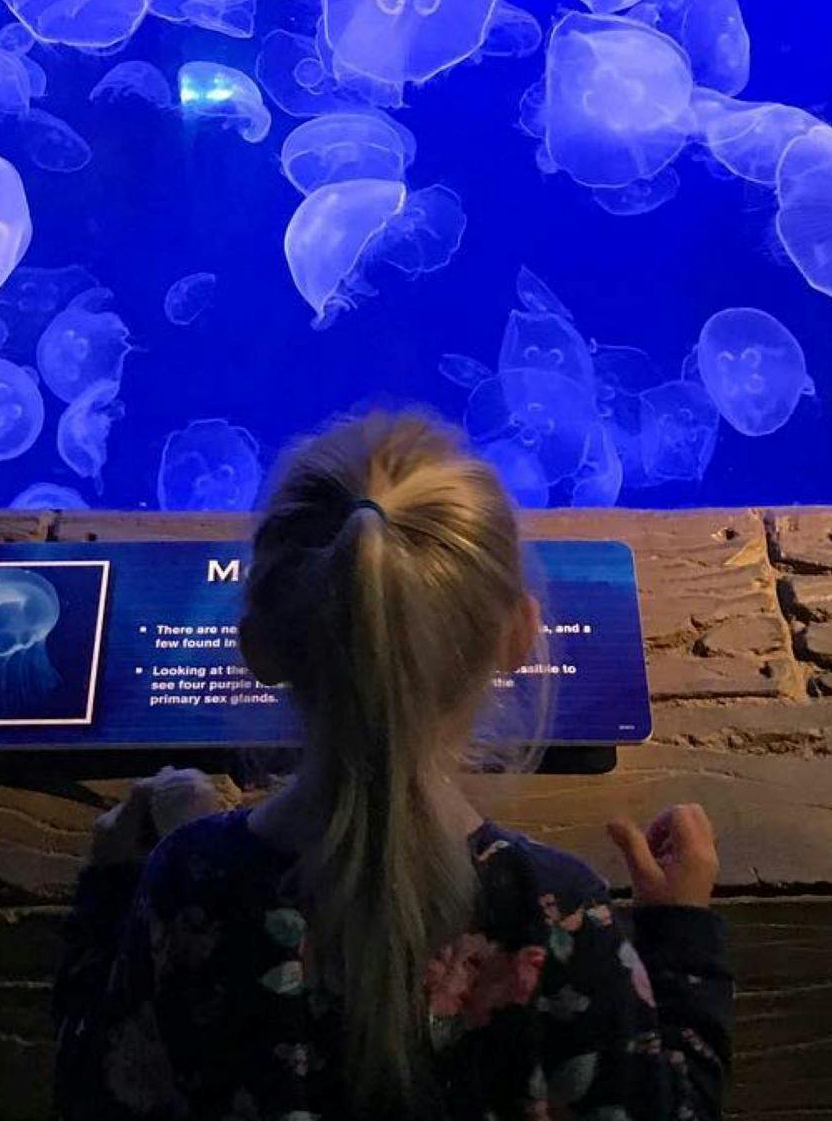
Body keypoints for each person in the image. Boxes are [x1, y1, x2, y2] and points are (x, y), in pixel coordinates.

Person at [54, 411, 731, 1119]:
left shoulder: (186, 883)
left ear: (256, 647)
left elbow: (96, 1091)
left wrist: (110, 892)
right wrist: (681, 934)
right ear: (521, 637)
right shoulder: (558, 910)